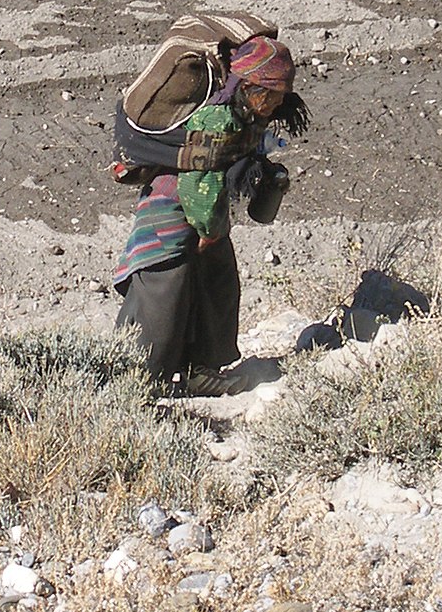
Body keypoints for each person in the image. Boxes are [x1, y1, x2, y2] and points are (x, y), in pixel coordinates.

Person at [111, 34, 306, 394]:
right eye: (269, 94)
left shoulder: (245, 113)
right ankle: (134, 383)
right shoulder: (218, 120)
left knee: (215, 285)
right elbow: (200, 184)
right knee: (162, 293)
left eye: (279, 96)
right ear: (247, 86)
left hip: (205, 216)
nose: (274, 104)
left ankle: (199, 370)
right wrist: (210, 232)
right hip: (170, 212)